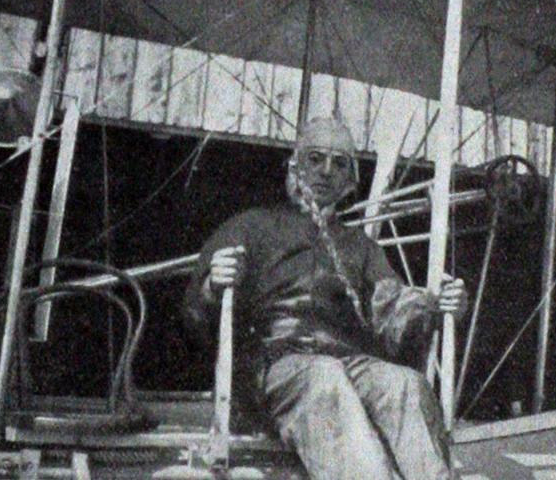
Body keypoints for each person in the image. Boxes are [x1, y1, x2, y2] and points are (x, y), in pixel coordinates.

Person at [185, 117, 468, 480]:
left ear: (351, 180)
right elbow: (195, 319)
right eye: (315, 158)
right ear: (294, 165)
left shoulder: (361, 247)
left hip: (347, 364)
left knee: (406, 385)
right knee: (325, 379)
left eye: (339, 163)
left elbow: (391, 311)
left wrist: (436, 305)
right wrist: (212, 286)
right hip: (276, 365)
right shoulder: (251, 227)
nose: (326, 171)